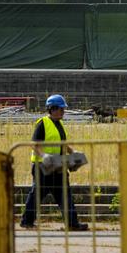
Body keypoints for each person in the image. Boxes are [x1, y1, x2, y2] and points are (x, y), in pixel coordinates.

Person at [19, 94, 88, 231]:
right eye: (61, 109)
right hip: (43, 167)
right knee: (37, 195)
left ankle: (73, 224)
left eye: (63, 109)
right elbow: (34, 144)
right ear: (53, 109)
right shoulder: (42, 123)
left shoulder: (59, 124)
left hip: (58, 165)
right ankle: (26, 221)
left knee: (65, 195)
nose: (63, 112)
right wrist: (44, 156)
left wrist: (72, 153)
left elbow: (62, 144)